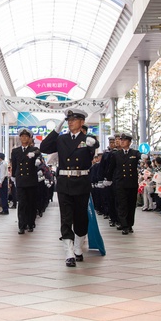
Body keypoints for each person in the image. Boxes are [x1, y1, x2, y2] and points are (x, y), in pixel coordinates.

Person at [39, 109, 99, 267]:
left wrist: (92, 144)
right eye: (68, 120)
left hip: (81, 182)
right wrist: (55, 131)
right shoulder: (62, 139)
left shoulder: (87, 139)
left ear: (82, 122)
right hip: (65, 182)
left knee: (81, 217)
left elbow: (94, 145)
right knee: (66, 218)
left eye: (74, 119)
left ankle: (78, 248)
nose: (70, 122)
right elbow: (44, 147)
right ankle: (69, 253)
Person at [104, 133, 140, 235]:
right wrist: (108, 179)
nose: (122, 142)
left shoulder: (134, 153)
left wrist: (144, 157)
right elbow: (111, 168)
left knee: (131, 204)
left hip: (132, 183)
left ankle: (130, 224)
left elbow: (140, 156)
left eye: (124, 140)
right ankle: (124, 225)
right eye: (121, 140)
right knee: (122, 205)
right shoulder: (116, 154)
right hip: (120, 183)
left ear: (129, 142)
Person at [10, 129, 41, 234]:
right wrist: (13, 177)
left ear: (29, 138)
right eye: (22, 136)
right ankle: (21, 225)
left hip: (31, 180)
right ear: (20, 138)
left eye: (26, 136)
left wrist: (34, 155)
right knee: (22, 203)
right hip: (21, 180)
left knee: (31, 203)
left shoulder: (34, 149)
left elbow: (38, 153)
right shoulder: (15, 151)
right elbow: (14, 165)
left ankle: (30, 223)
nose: (24, 138)